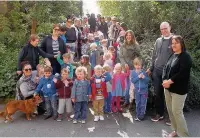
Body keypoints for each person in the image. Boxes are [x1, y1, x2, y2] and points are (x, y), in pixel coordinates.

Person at [162, 35, 192, 137]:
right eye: (173, 43)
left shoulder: (186, 57)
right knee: (171, 111)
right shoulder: (173, 55)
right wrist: (164, 80)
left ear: (181, 44)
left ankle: (184, 135)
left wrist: (169, 81)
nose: (174, 45)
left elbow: (182, 73)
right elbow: (165, 68)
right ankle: (175, 130)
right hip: (168, 89)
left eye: (176, 43)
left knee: (177, 112)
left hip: (179, 90)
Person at [146, 22, 173, 124]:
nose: (164, 31)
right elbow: (154, 56)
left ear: (170, 27)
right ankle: (159, 113)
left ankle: (171, 117)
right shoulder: (158, 41)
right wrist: (151, 68)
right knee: (158, 94)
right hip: (157, 72)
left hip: (169, 73)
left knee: (169, 96)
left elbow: (179, 56)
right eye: (161, 29)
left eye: (165, 28)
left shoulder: (175, 40)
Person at [119, 30, 141, 108]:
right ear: (125, 36)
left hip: (132, 68)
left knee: (132, 86)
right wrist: (124, 64)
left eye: (130, 35)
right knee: (126, 86)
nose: (128, 36)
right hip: (125, 68)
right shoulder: (122, 45)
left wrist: (134, 63)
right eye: (127, 35)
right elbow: (120, 56)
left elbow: (138, 56)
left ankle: (131, 102)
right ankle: (126, 101)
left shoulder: (136, 45)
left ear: (132, 36)